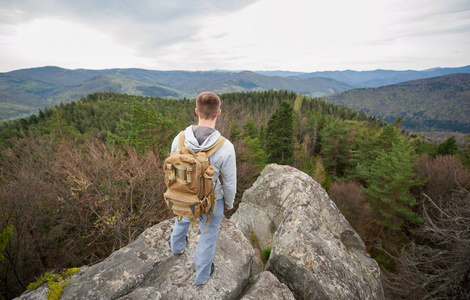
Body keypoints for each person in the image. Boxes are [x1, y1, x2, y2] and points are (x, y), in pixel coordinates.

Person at [170, 92, 237, 286]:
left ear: (197, 111)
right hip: (211, 200)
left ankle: (177, 248)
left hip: (182, 194)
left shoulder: (180, 138)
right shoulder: (225, 147)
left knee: (181, 219)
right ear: (218, 113)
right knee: (208, 234)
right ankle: (201, 276)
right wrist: (229, 203)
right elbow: (230, 182)